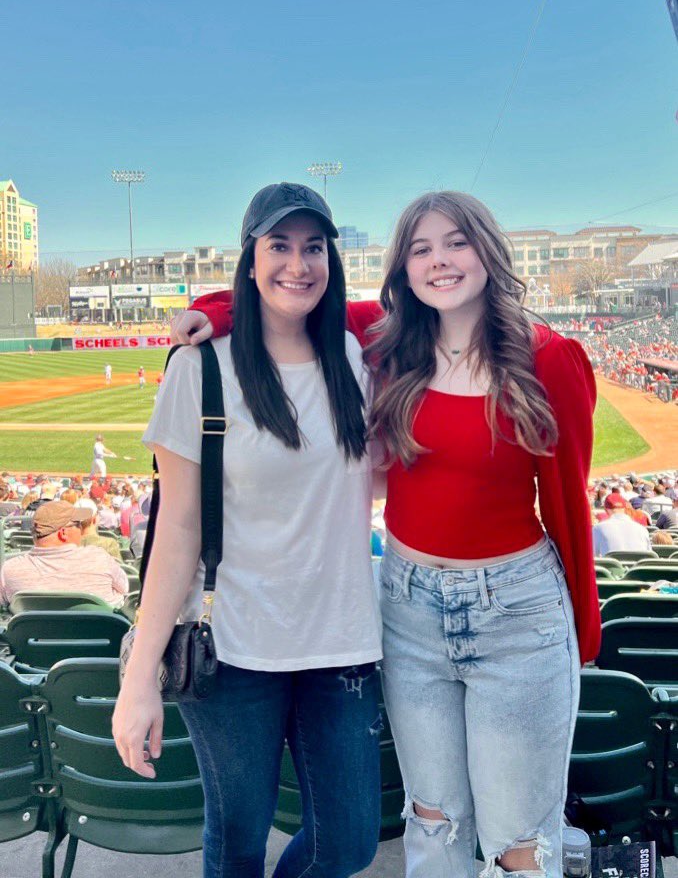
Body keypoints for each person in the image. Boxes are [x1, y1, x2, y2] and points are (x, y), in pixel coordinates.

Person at [174, 189, 599, 878]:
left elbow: (568, 510)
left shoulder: (549, 359)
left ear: (487, 249)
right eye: (421, 247)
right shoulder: (388, 340)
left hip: (517, 612)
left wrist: (582, 631)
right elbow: (296, 298)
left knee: (518, 846)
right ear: (403, 266)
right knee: (431, 820)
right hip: (409, 607)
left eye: (456, 242)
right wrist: (215, 308)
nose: (440, 261)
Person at [112, 183, 382, 878]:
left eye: (313, 247)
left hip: (341, 646)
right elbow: (175, 530)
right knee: (235, 844)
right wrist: (139, 681)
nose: (299, 264)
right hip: (232, 651)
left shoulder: (354, 361)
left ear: (332, 259)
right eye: (280, 246)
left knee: (349, 842)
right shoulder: (200, 368)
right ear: (251, 259)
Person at [0, 500, 128, 608]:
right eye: (78, 525)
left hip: (34, 637)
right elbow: (125, 589)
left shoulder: (10, 569)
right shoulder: (99, 558)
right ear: (63, 533)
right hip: (99, 636)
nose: (81, 529)